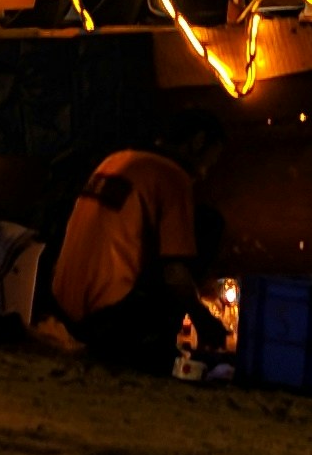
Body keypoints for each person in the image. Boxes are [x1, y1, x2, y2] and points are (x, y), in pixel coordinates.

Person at [44, 148, 211, 370]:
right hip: (104, 318)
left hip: (62, 310)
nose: (204, 175)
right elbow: (174, 270)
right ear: (197, 141)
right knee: (210, 222)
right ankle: (154, 355)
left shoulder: (115, 160)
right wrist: (203, 318)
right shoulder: (173, 175)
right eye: (209, 162)